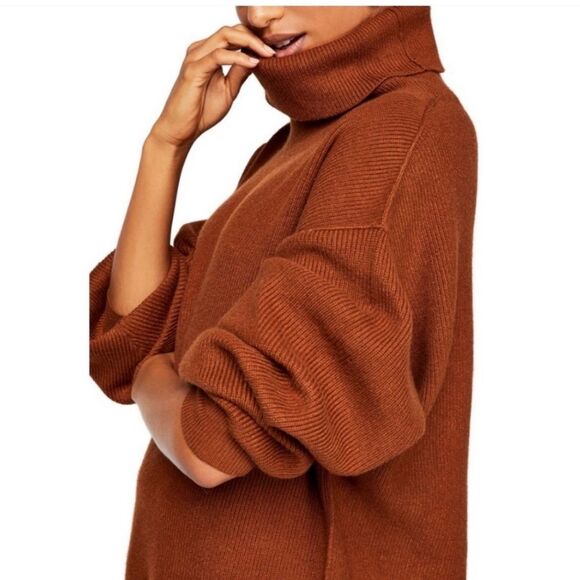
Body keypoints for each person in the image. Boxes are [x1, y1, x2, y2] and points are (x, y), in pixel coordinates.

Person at [89, 6, 477, 579]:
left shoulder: (398, 130)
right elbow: (134, 339)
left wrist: (155, 380)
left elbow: (208, 445)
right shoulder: (301, 144)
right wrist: (165, 146)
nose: (259, 13)